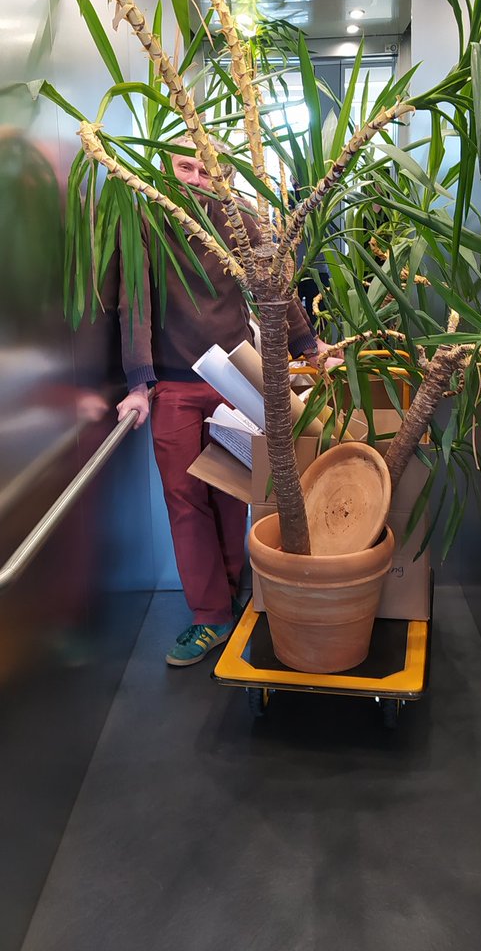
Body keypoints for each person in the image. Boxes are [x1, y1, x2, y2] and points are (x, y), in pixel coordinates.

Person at [117, 138, 340, 667]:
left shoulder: (238, 218)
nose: (193, 178)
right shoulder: (149, 218)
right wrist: (137, 381)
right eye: (182, 166)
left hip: (236, 377)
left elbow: (272, 287)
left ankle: (233, 587)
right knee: (184, 498)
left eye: (203, 168)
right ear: (165, 168)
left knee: (233, 490)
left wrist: (309, 346)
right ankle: (209, 616)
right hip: (174, 384)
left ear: (223, 174)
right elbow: (135, 299)